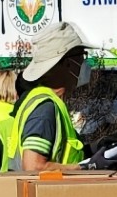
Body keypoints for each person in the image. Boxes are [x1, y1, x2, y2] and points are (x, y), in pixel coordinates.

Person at [9, 21, 91, 170]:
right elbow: (33, 166)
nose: (84, 62)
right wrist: (86, 168)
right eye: (82, 55)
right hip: (41, 193)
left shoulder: (46, 103)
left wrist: (94, 150)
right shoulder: (45, 109)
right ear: (67, 63)